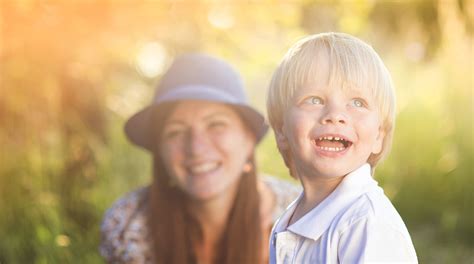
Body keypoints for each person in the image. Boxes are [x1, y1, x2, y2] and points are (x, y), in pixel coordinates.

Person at [99, 53, 300, 264]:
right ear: (160, 149)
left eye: (216, 125)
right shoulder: (127, 224)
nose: (196, 148)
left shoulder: (304, 219)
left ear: (248, 139)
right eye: (175, 132)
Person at [266, 32, 418, 263]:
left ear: (379, 135)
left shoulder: (367, 224)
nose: (335, 115)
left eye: (358, 102)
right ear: (281, 130)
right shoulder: (288, 221)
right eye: (314, 99)